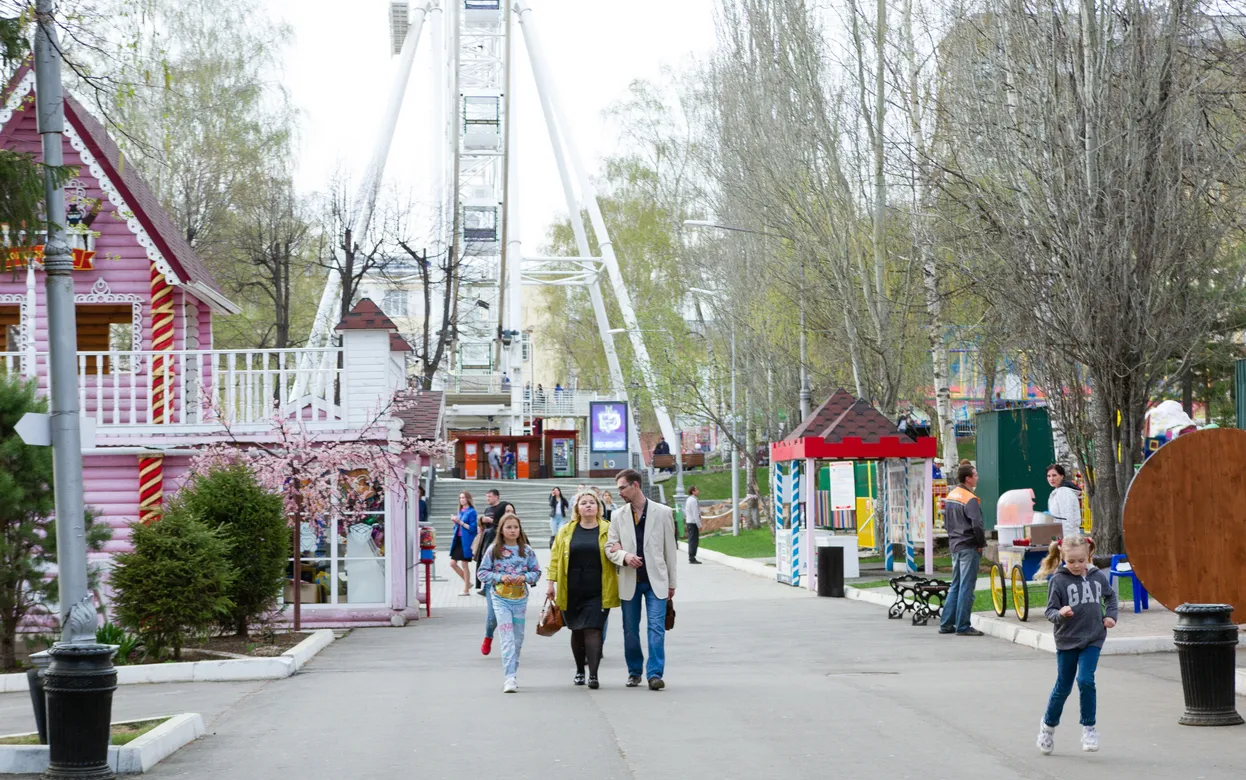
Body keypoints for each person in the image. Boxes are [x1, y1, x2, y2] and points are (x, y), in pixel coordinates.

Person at [1034, 534, 1118, 754]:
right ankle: (1047, 728)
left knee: (1085, 679)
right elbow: (1050, 612)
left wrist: (1111, 616)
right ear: (1062, 558)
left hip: (1093, 637)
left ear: (1088, 555)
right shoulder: (1058, 581)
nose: (1076, 565)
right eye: (1071, 561)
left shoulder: (1097, 576)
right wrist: (1060, 613)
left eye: (1081, 560)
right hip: (1067, 640)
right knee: (1063, 687)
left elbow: (1111, 597)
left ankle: (1089, 728)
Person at [606, 468, 678, 691]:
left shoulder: (663, 512)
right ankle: (634, 671)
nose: (619, 493)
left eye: (622, 488)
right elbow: (610, 548)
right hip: (630, 581)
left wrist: (672, 583)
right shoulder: (617, 516)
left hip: (656, 580)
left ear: (635, 485)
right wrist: (624, 556)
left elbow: (670, 551)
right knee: (630, 629)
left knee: (656, 628)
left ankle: (655, 674)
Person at [547, 491, 620, 689]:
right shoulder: (566, 530)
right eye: (583, 503)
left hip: (599, 589)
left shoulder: (609, 529)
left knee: (594, 629)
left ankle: (594, 675)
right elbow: (555, 558)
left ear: (598, 507)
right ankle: (580, 670)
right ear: (577, 508)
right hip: (571, 589)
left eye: (592, 503)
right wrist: (550, 584)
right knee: (577, 630)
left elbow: (618, 552)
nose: (588, 506)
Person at [477, 513, 542, 693]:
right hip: (500, 598)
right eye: (509, 527)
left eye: (515, 527)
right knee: (507, 637)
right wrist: (499, 577)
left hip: (520, 599)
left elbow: (536, 572)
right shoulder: (494, 550)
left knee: (518, 638)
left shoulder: (526, 550)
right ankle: (509, 677)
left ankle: (513, 670)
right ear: (502, 530)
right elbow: (482, 572)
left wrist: (524, 577)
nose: (513, 531)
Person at [939, 464, 985, 636]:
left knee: (956, 585)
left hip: (955, 545)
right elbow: (977, 525)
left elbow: (946, 523)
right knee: (966, 586)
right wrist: (980, 543)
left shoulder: (951, 496)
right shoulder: (969, 498)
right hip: (968, 545)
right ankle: (963, 626)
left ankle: (946, 624)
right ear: (968, 478)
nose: (977, 478)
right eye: (975, 475)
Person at [477, 489, 512, 635]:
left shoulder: (503, 506)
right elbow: (482, 569)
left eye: (490, 496)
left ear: (496, 497)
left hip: (513, 590)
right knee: (492, 618)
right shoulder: (487, 509)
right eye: (486, 496)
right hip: (489, 539)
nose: (488, 498)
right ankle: (488, 636)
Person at [448, 492, 478, 596]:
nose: (461, 500)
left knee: (464, 564)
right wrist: (455, 522)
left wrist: (460, 522)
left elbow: (473, 528)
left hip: (466, 541)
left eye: (463, 497)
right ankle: (468, 583)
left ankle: (466, 589)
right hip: (458, 539)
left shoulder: (472, 512)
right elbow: (458, 526)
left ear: (468, 499)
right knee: (452, 563)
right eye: (460, 498)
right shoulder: (460, 511)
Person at [1045, 464, 1083, 540]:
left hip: (1068, 539)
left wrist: (1066, 541)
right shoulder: (1057, 492)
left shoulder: (1064, 492)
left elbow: (1067, 519)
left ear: (1062, 476)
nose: (1051, 478)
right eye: (1049, 476)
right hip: (1060, 537)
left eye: (1054, 475)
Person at [684, 486, 702, 564]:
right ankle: (692, 557)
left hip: (690, 521)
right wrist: (699, 525)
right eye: (697, 490)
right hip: (693, 523)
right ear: (693, 491)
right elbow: (695, 514)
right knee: (693, 540)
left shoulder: (689, 499)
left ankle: (692, 556)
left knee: (692, 539)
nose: (698, 491)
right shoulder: (693, 501)